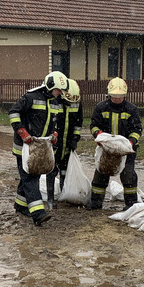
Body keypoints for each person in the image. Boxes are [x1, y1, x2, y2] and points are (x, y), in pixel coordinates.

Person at [8, 71, 68, 226]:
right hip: (25, 147)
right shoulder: (31, 97)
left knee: (28, 176)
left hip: (40, 146)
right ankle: (38, 213)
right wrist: (23, 132)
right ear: (49, 86)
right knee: (30, 177)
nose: (59, 93)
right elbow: (14, 113)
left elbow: (54, 123)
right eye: (58, 90)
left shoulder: (55, 102)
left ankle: (20, 206)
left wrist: (54, 134)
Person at [86, 77, 143, 211]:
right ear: (109, 94)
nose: (117, 99)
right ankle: (96, 203)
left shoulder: (131, 109)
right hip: (106, 150)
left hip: (126, 150)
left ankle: (131, 205)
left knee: (128, 176)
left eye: (120, 96)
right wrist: (99, 136)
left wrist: (131, 142)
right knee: (101, 174)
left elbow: (137, 129)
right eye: (114, 96)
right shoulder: (101, 107)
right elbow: (94, 125)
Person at [45, 78, 83, 209]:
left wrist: (75, 138)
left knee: (65, 169)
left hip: (68, 142)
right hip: (55, 141)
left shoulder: (76, 102)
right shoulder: (54, 101)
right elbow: (49, 121)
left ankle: (64, 193)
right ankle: (50, 199)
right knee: (51, 169)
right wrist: (52, 136)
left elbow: (78, 123)